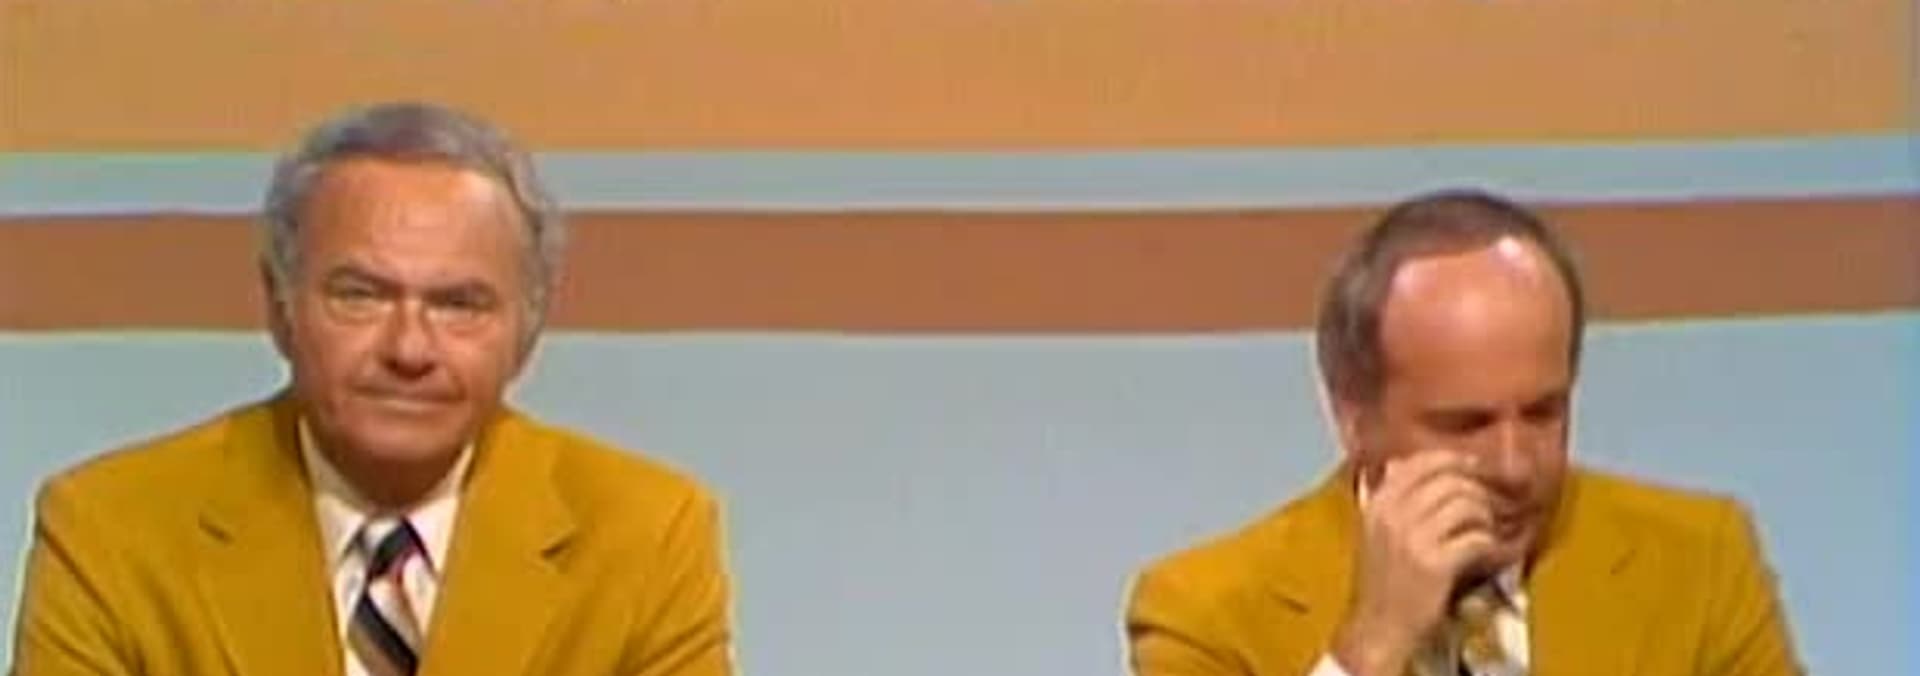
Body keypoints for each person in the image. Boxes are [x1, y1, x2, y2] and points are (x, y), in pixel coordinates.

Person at [12, 102, 734, 675]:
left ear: (528, 329)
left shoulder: (646, 536)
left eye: (459, 305)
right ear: (280, 305)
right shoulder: (109, 530)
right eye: (360, 296)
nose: (409, 349)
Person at [1124, 190, 1802, 676]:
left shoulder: (1700, 563)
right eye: (1465, 425)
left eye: (1543, 412)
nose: (1514, 466)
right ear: (1353, 417)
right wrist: (1372, 644)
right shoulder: (1206, 612)